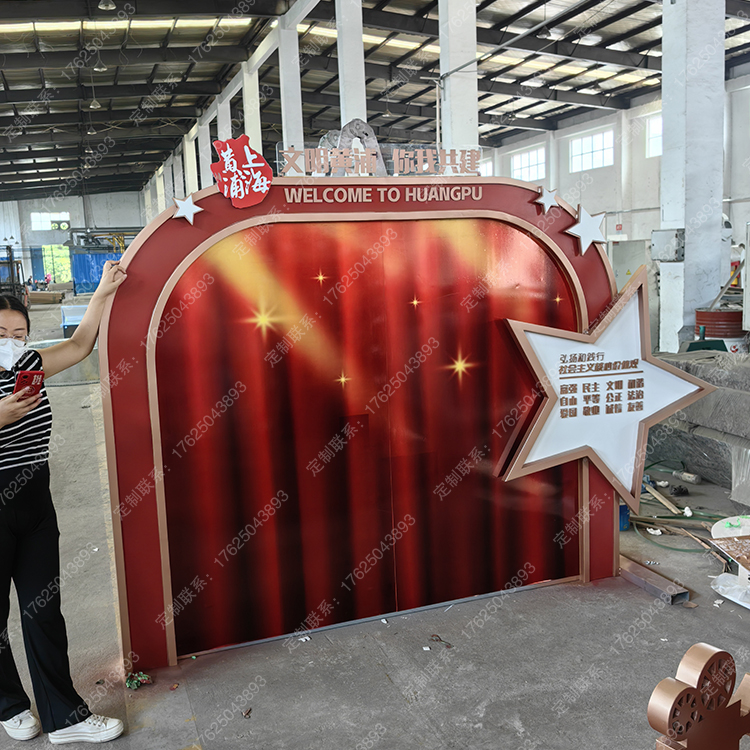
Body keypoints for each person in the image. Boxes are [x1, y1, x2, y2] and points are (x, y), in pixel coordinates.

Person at [0, 261, 127, 744]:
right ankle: (9, 705)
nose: (11, 342)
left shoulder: (29, 364)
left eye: (18, 334)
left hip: (35, 501)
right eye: (1, 334)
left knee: (44, 611)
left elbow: (78, 346)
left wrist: (101, 293)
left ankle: (64, 717)